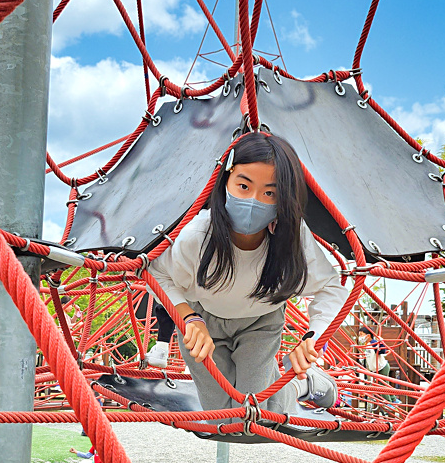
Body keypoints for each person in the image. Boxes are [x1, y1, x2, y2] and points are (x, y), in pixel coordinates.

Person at [146, 133, 348, 414]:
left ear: (284, 198)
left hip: (261, 321)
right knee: (221, 415)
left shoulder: (292, 237)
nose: (254, 201)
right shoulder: (198, 234)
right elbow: (157, 273)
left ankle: (309, 383)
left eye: (270, 193)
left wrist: (314, 338)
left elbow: (332, 286)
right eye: (243, 186)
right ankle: (303, 385)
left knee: (257, 412)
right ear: (225, 182)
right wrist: (188, 317)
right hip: (204, 319)